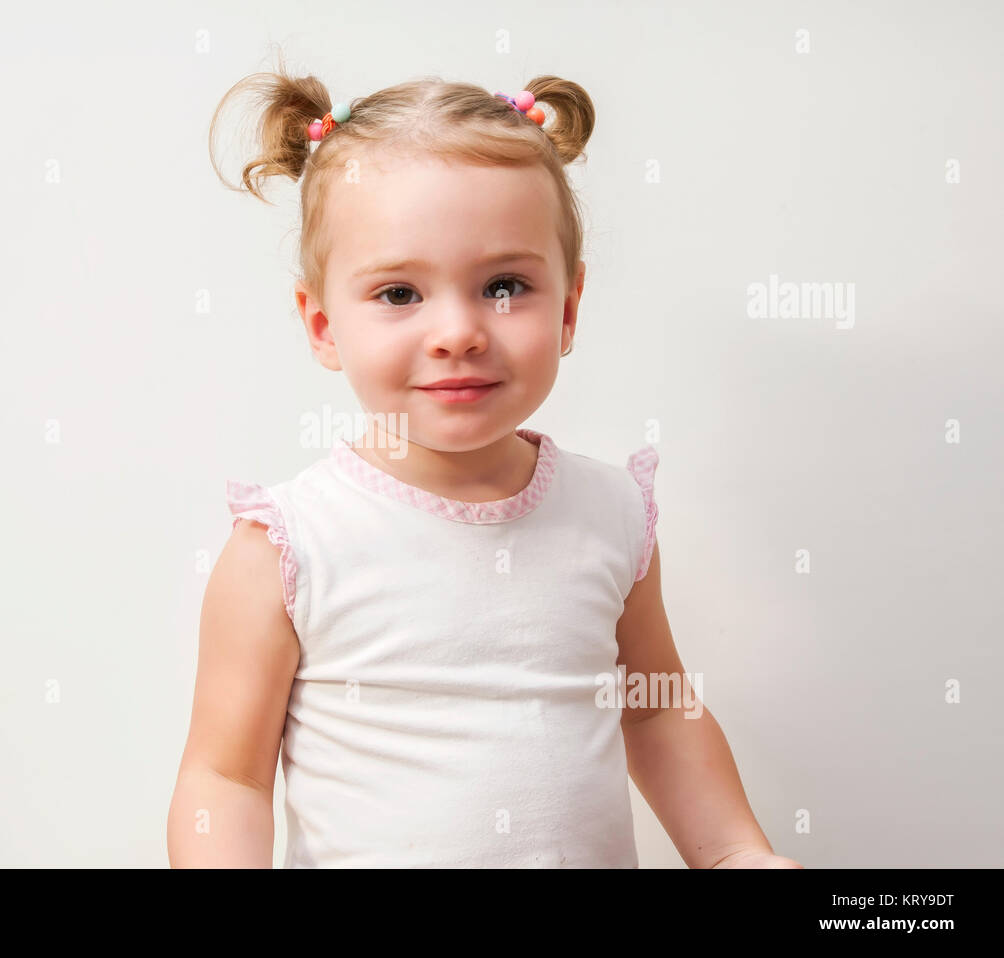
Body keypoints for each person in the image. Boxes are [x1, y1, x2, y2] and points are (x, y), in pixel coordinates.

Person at [168, 53, 803, 869]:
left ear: (569, 309)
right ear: (323, 325)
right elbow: (227, 777)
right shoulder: (290, 545)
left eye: (504, 285)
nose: (459, 331)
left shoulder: (612, 514)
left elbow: (655, 710)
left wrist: (733, 854)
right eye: (400, 293)